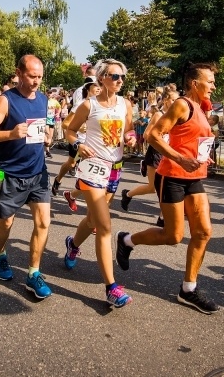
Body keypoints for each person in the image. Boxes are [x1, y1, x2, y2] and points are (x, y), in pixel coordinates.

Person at [115, 64, 219, 313]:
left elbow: (192, 138)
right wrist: (181, 159)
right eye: (210, 81)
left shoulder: (204, 108)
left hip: (193, 177)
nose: (213, 86)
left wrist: (202, 155)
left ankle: (188, 289)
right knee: (173, 236)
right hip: (171, 176)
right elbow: (153, 135)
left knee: (203, 232)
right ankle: (127, 240)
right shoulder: (182, 104)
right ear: (194, 83)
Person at [63, 58, 137, 308]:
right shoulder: (89, 104)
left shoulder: (125, 104)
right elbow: (69, 130)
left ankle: (72, 245)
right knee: (104, 226)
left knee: (94, 219)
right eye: (115, 77)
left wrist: (131, 137)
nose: (120, 81)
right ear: (102, 78)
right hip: (92, 168)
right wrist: (77, 145)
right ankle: (111, 288)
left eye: (122, 77)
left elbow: (129, 130)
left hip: (114, 168)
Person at [0, 55, 53, 298]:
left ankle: (33, 273)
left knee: (43, 222)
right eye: (32, 76)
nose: (36, 81)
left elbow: (42, 128)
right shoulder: (5, 100)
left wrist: (47, 137)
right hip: (8, 174)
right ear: (19, 73)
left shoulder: (43, 100)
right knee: (6, 222)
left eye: (40, 77)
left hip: (37, 172)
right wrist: (10, 133)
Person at [120, 89, 180, 227]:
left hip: (168, 153)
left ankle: (161, 217)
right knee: (155, 188)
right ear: (165, 100)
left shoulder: (175, 116)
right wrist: (161, 137)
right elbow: (147, 134)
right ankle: (128, 195)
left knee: (161, 187)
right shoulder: (159, 114)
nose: (175, 103)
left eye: (177, 100)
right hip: (156, 153)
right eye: (173, 100)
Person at [52, 81, 100, 209]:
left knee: (90, 175)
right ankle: (58, 180)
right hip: (79, 141)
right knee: (71, 164)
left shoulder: (102, 105)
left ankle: (90, 211)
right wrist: (79, 129)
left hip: (94, 145)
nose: (98, 88)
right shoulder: (80, 104)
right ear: (88, 89)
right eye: (95, 86)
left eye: (100, 86)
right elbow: (65, 124)